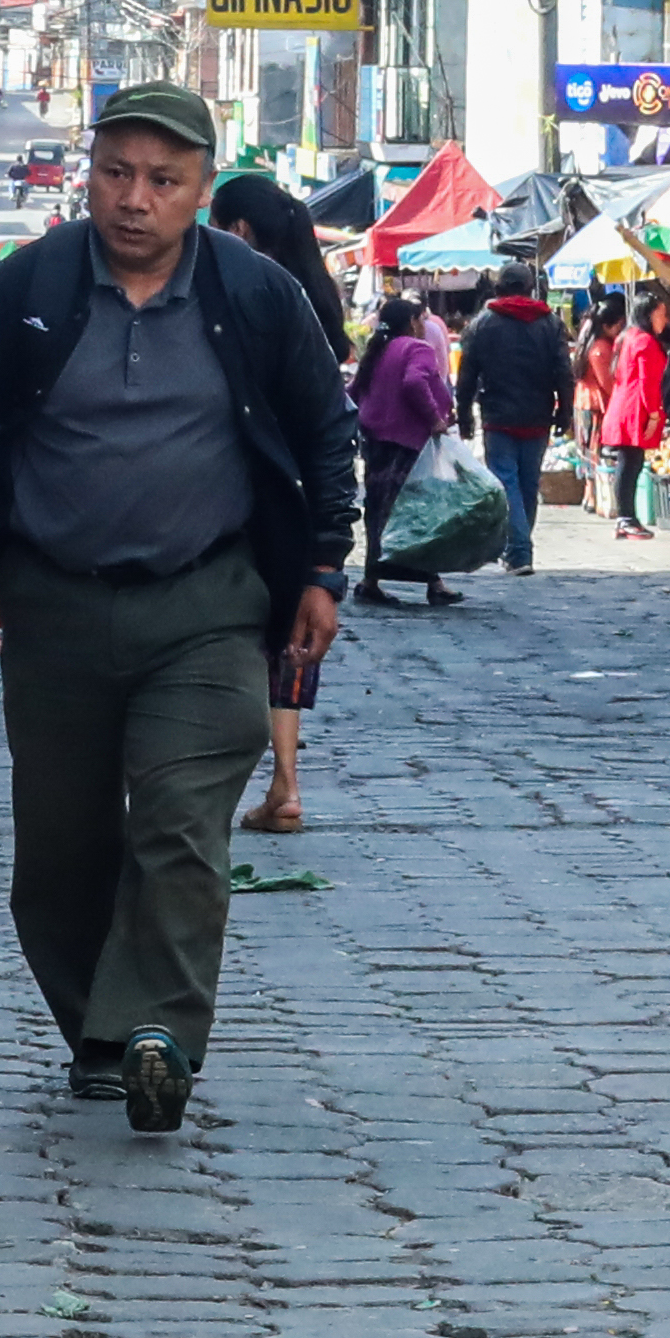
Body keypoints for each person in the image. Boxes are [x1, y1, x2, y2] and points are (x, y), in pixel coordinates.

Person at [0, 83, 356, 1131]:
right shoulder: (29, 289)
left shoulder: (257, 296)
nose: (135, 199)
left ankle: (157, 1032)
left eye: (163, 180)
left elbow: (324, 434)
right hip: (52, 600)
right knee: (62, 848)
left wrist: (320, 568)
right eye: (116, 173)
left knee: (179, 814)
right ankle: (98, 1033)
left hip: (208, 599)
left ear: (202, 192)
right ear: (89, 175)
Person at [207, 174, 353, 841]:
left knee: (228, 638)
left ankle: (221, 782)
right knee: (288, 642)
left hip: (247, 493)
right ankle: (286, 785)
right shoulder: (318, 298)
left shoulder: (244, 293)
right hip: (301, 500)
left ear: (237, 230)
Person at [348, 293, 459, 611]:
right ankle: (433, 582)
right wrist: (435, 420)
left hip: (376, 444)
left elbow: (353, 392)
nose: (424, 325)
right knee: (418, 512)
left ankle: (372, 579)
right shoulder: (416, 348)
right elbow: (413, 383)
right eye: (420, 319)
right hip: (408, 443)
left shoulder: (378, 350)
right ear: (411, 322)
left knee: (379, 509)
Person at [455, 282, 570, 576]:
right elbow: (564, 372)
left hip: (498, 415)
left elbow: (467, 374)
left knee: (507, 482)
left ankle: (518, 551)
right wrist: (564, 412)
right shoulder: (550, 322)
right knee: (528, 483)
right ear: (531, 289)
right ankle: (518, 546)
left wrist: (464, 414)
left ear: (498, 288)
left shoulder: (483, 323)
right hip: (538, 416)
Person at [587, 305, 668, 543]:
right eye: (661, 313)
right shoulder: (644, 341)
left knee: (629, 462)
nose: (664, 318)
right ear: (648, 314)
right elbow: (647, 381)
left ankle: (626, 518)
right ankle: (626, 518)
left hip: (624, 405)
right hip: (635, 409)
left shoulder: (628, 337)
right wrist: (653, 414)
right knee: (630, 462)